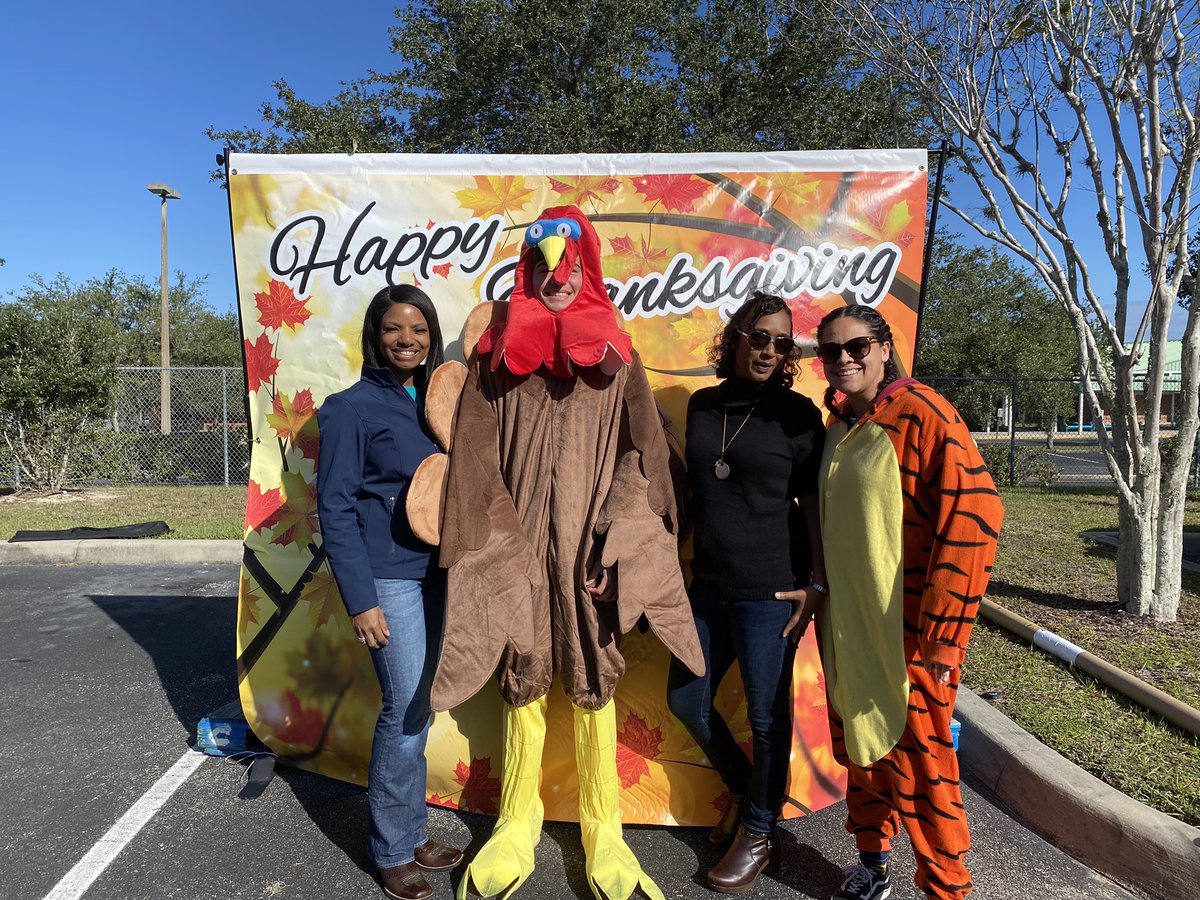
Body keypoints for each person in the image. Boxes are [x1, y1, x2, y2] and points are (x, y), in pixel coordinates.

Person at [430, 205, 704, 900]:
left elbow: (645, 454)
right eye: (542, 268)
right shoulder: (497, 364)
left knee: (593, 673)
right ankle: (515, 827)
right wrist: (498, 546)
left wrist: (616, 537)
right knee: (522, 673)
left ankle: (602, 834)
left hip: (589, 561)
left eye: (568, 268)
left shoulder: (617, 360)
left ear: (587, 274)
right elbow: (475, 460)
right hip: (515, 553)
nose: (556, 279)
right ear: (527, 274)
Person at [805, 305, 1003, 900]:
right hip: (846, 628)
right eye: (831, 350)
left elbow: (976, 516)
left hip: (909, 636)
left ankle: (948, 889)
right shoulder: (838, 427)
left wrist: (945, 632)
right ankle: (872, 862)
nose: (844, 359)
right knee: (863, 756)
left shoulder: (925, 413)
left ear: (884, 347)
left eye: (857, 346)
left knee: (925, 772)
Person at [666, 290, 828, 895]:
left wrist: (816, 581)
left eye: (782, 342)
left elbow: (810, 505)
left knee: (766, 716)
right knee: (687, 701)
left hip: (772, 590)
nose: (768, 349)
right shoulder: (704, 407)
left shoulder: (797, 415)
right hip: (707, 585)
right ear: (736, 337)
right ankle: (749, 793)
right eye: (758, 336)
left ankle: (760, 830)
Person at [316, 285, 464, 900]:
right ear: (375, 336)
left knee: (421, 706)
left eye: (420, 330)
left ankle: (411, 831)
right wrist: (361, 598)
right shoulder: (349, 408)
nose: (409, 340)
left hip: (437, 571)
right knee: (403, 711)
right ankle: (392, 850)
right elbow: (335, 506)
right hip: (389, 578)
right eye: (395, 330)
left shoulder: (434, 403)